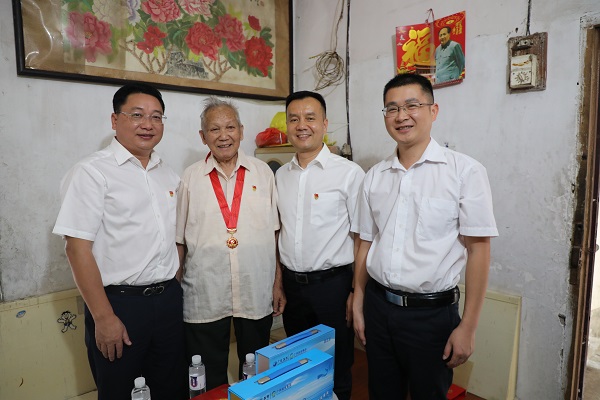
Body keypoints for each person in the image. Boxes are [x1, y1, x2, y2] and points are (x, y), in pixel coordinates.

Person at [352, 73, 498, 400]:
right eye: (392, 108)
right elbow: (365, 243)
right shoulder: (374, 177)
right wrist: (358, 302)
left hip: (431, 317)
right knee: (381, 393)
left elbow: (479, 250)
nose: (401, 116)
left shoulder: (465, 172)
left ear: (433, 111)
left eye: (412, 105)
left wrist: (468, 327)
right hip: (378, 306)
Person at [52, 83, 187, 400]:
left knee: (172, 388)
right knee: (120, 390)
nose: (147, 124)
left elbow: (175, 238)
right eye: (137, 115)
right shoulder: (91, 172)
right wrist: (104, 317)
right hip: (119, 305)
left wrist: (174, 282)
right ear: (115, 120)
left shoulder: (168, 175)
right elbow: (77, 248)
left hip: (167, 301)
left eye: (156, 117)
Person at [176, 97, 284, 389]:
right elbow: (179, 241)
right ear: (203, 136)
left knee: (256, 370)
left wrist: (277, 284)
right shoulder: (190, 178)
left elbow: (275, 234)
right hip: (205, 292)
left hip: (255, 288)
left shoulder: (263, 173)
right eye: (214, 129)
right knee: (206, 375)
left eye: (230, 127)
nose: (223, 135)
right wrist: (176, 291)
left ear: (241, 131)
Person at [275, 91, 365, 400]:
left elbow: (363, 237)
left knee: (336, 367)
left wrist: (355, 292)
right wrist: (279, 284)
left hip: (333, 288)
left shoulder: (349, 173)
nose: (302, 125)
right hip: (293, 288)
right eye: (294, 119)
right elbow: (279, 233)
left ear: (324, 124)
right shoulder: (280, 176)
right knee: (299, 368)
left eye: (310, 118)